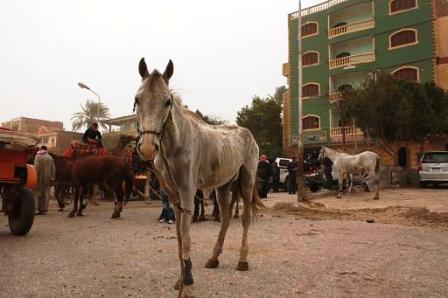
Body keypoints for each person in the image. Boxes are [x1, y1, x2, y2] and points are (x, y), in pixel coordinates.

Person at [33, 146, 55, 215]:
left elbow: (36, 166)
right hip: (47, 177)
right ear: (46, 150)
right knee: (45, 192)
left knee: (36, 191)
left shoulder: (37, 156)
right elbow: (53, 169)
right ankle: (43, 209)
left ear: (40, 149)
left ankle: (36, 209)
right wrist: (52, 178)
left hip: (38, 176)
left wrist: (35, 176)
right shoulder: (50, 157)